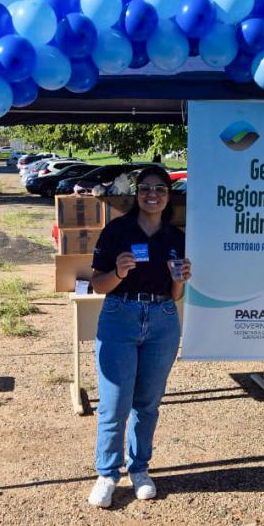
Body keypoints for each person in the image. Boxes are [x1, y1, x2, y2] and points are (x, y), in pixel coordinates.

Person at [87, 166, 191, 508]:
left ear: (168, 195)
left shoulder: (175, 238)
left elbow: (176, 294)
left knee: (147, 404)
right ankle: (107, 474)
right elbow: (98, 285)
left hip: (162, 320)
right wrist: (117, 272)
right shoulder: (117, 230)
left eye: (159, 189)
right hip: (120, 316)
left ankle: (140, 470)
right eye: (145, 188)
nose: (152, 194)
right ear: (136, 193)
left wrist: (181, 278)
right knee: (114, 404)